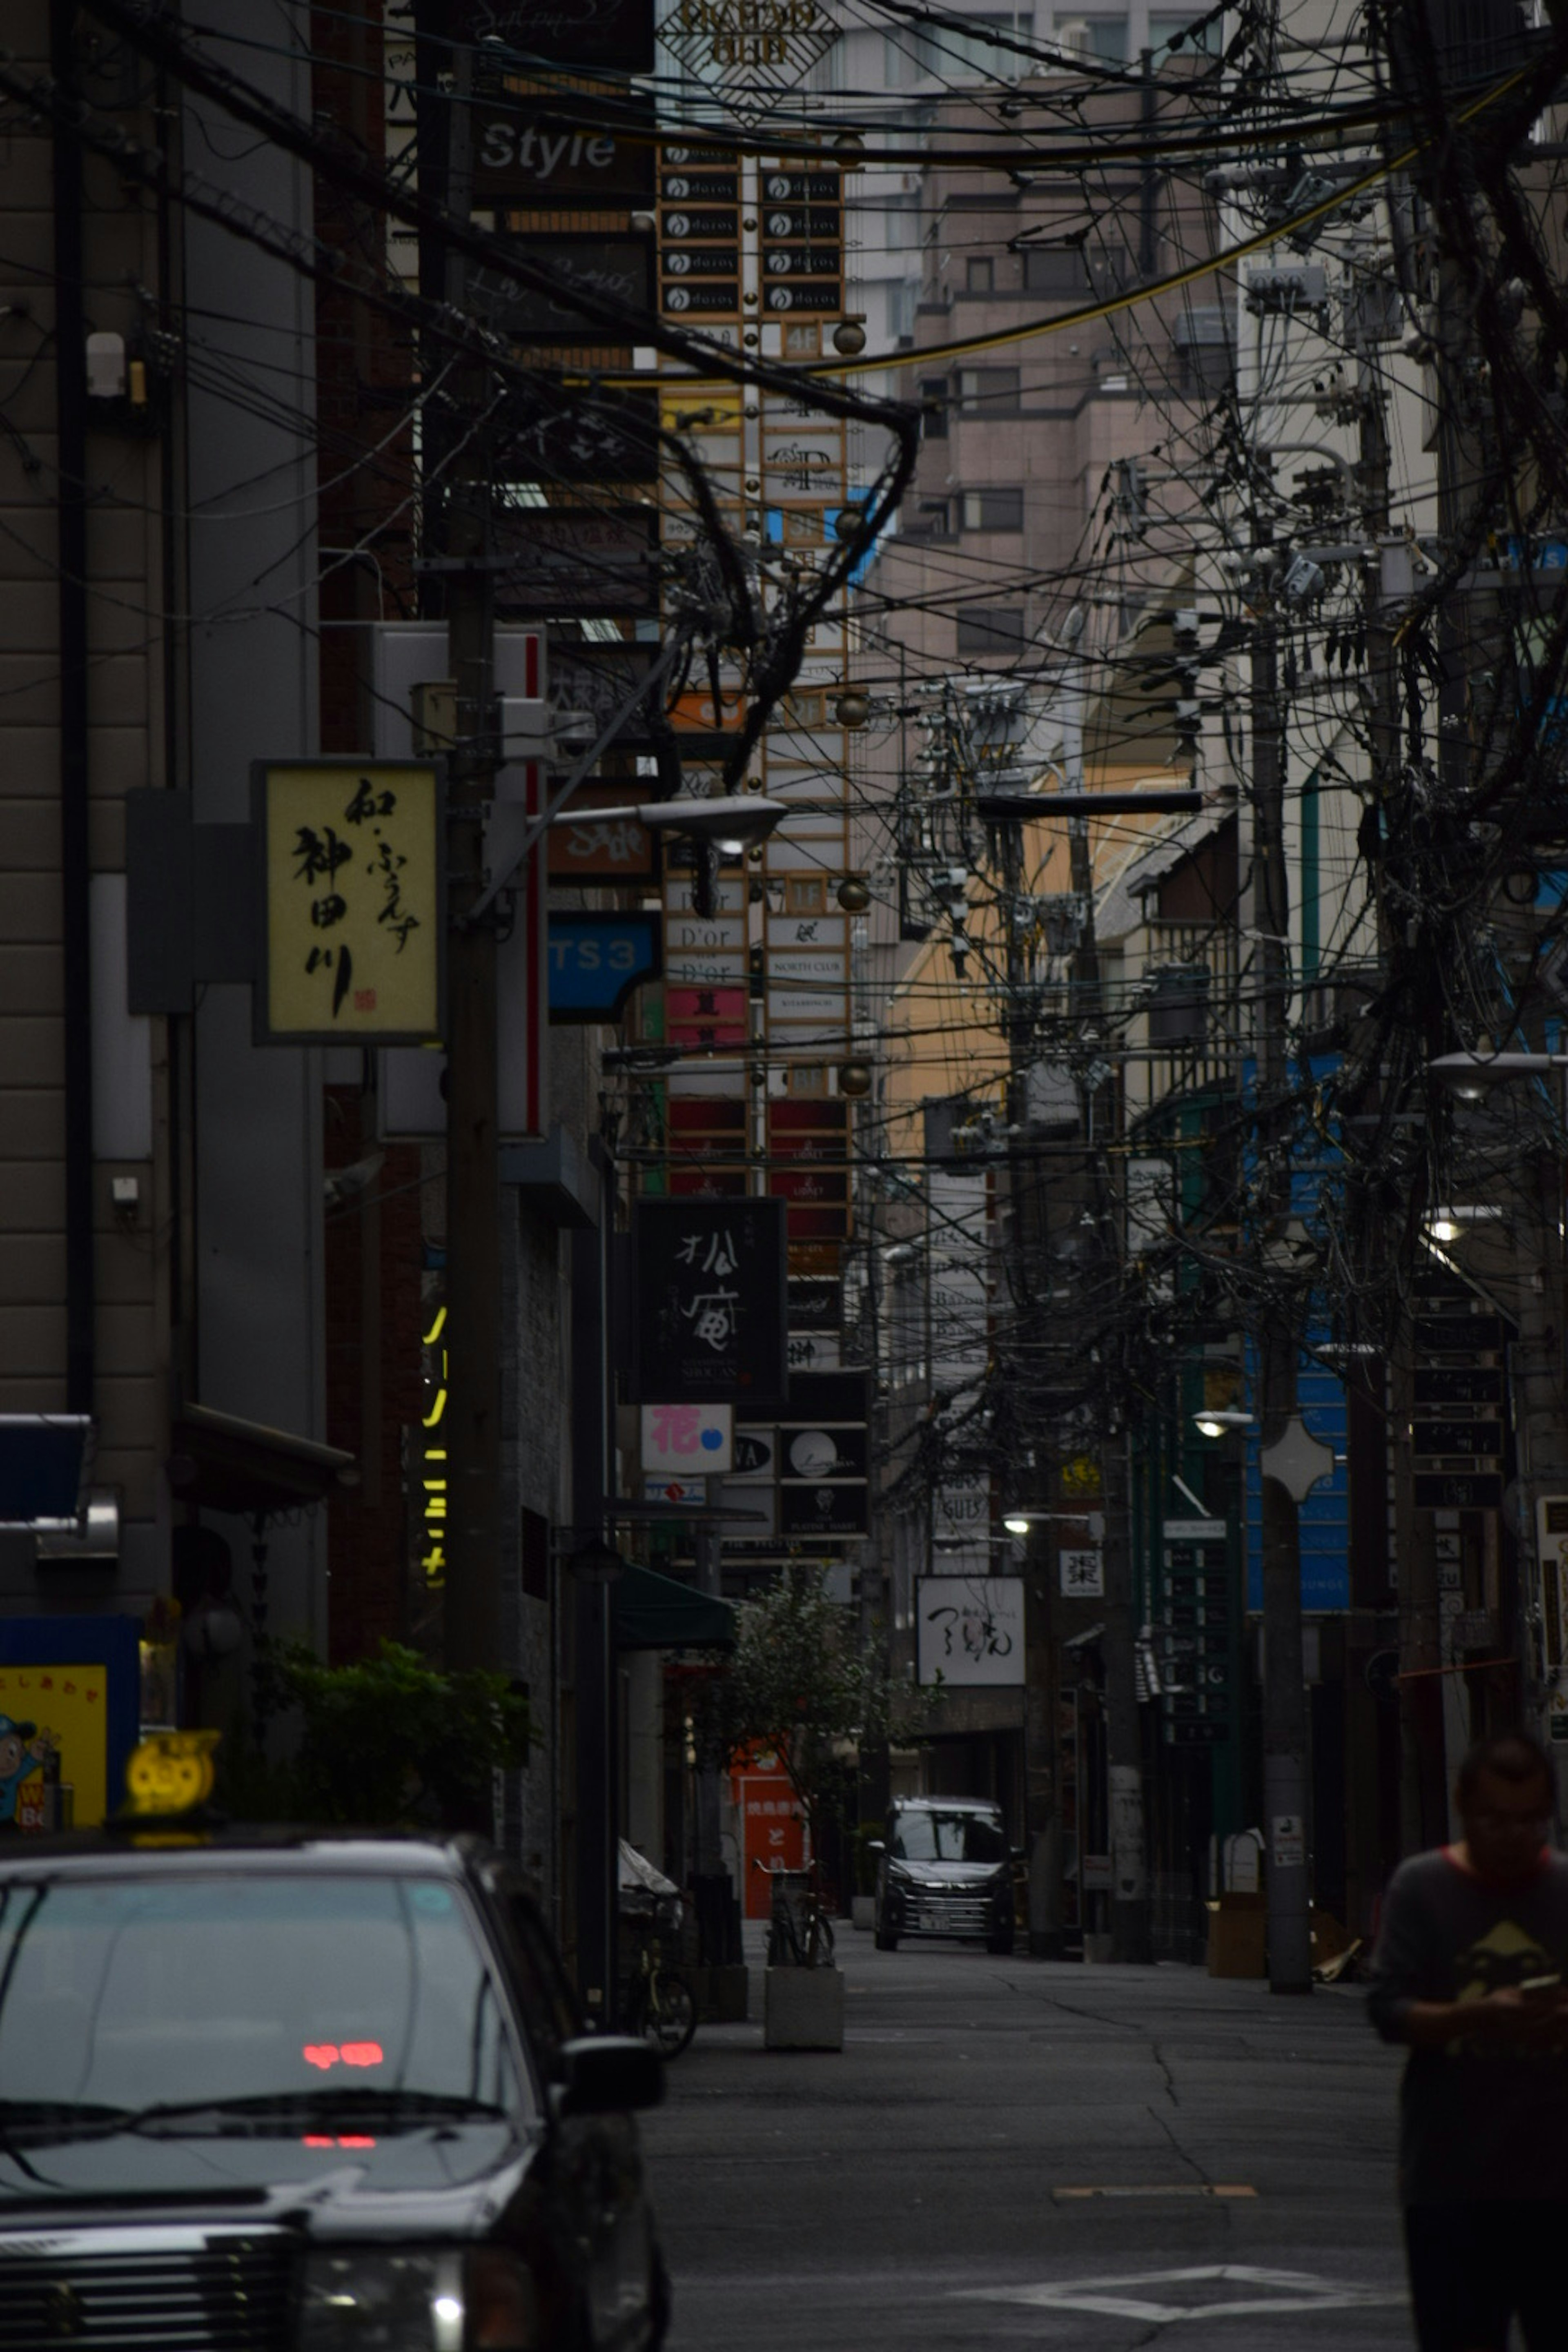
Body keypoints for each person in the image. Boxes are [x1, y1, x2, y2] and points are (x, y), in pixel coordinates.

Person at [1368, 1728, 1568, 2351]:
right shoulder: (1422, 1888)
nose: (1513, 1836)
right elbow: (1389, 2011)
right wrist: (1479, 2015)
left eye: (1531, 1820)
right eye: (1496, 1819)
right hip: (1451, 2180)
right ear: (1463, 1805)